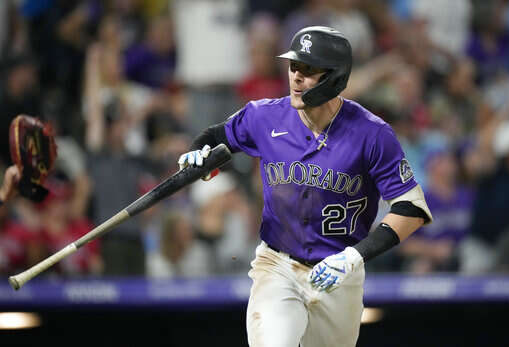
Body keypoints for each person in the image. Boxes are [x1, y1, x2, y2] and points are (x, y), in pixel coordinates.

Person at [178, 26, 433, 347]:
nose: (297, 77)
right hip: (278, 264)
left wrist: (355, 256)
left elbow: (411, 209)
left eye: (309, 70)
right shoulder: (264, 116)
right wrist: (197, 153)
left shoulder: (372, 133)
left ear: (336, 77)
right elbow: (216, 137)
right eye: (294, 66)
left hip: (339, 273)